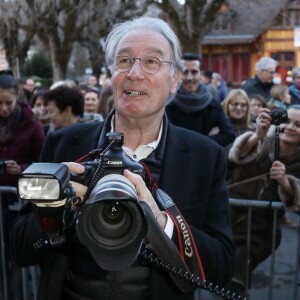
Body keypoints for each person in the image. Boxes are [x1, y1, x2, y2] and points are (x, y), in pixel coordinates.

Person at [10, 16, 234, 300]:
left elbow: (222, 267)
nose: (135, 73)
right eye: (124, 60)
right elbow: (20, 249)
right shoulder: (63, 143)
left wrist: (161, 223)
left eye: (152, 62)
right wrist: (55, 209)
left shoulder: (205, 156)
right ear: (111, 73)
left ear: (175, 79)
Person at [226, 105, 300, 297]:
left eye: (298, 125)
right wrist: (258, 135)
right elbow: (232, 159)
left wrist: (285, 181)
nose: (290, 127)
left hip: (261, 227)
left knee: (241, 263)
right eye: (286, 121)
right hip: (227, 215)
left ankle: (235, 287)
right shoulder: (259, 141)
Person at [0, 70, 45, 299]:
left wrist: (22, 169)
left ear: (18, 97)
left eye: (8, 102)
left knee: (18, 257)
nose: (4, 108)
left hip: (22, 203)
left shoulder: (32, 125)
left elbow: (44, 161)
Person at [166, 52, 236, 147]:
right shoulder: (167, 104)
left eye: (194, 72)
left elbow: (230, 134)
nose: (189, 77)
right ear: (178, 74)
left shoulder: (212, 105)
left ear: (201, 74)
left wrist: (203, 143)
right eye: (185, 72)